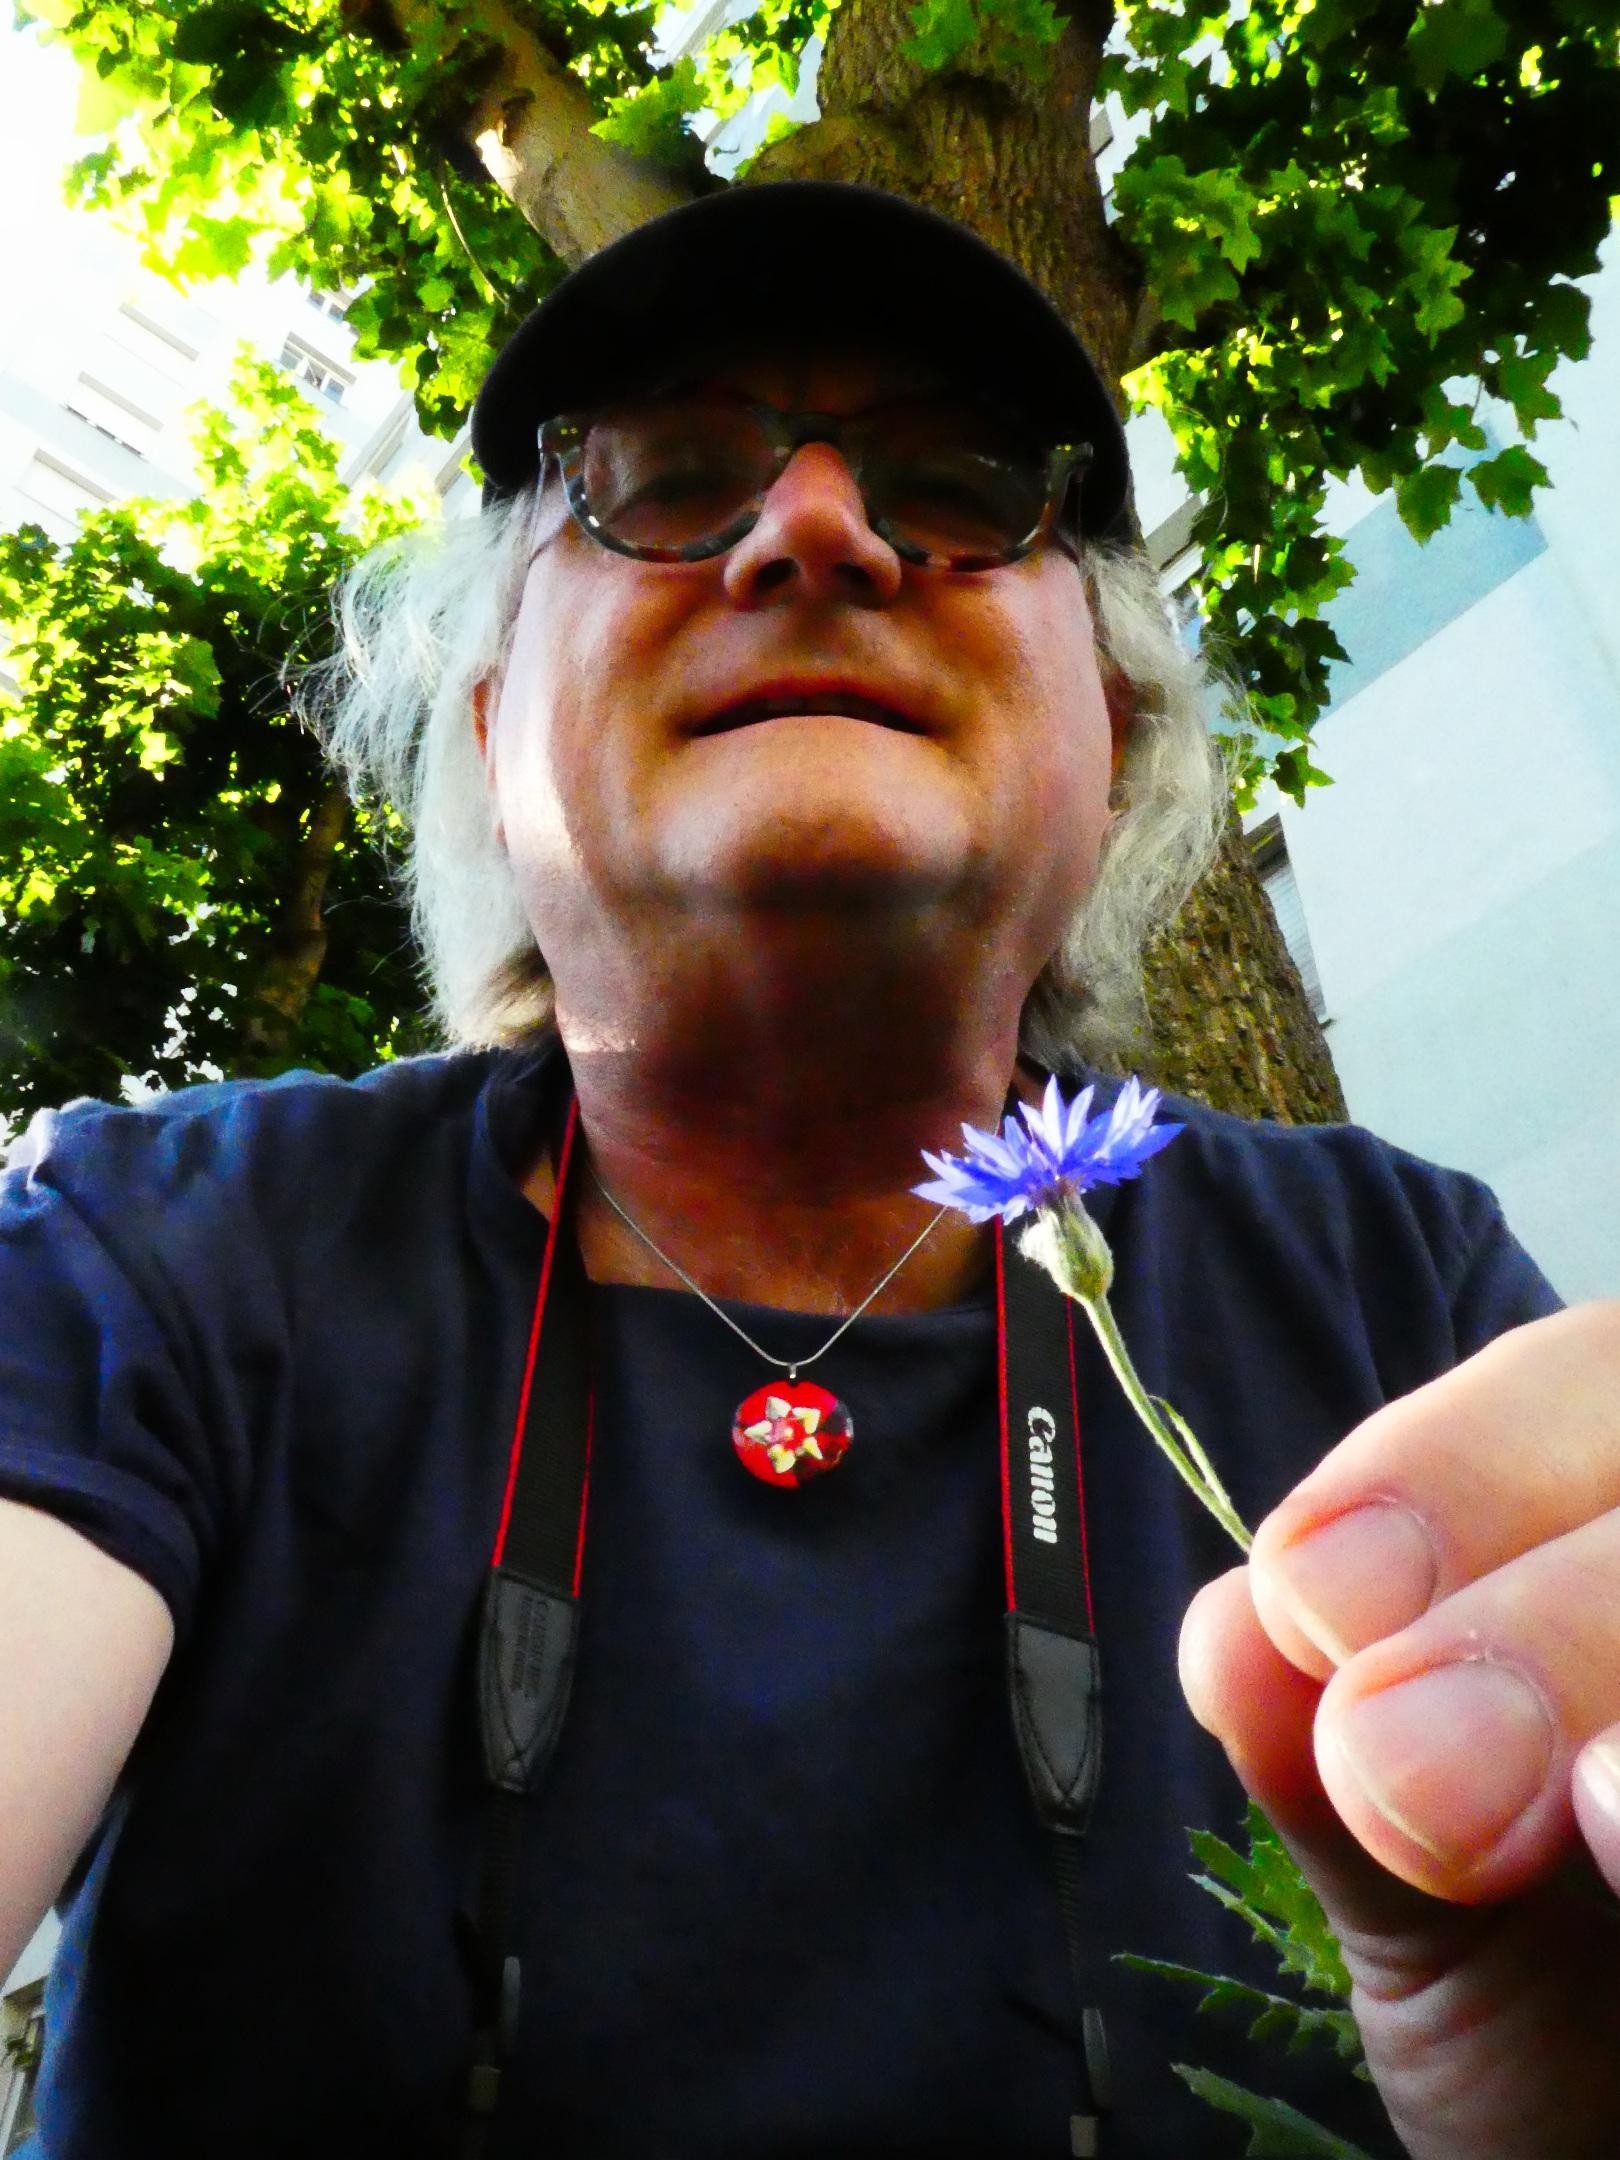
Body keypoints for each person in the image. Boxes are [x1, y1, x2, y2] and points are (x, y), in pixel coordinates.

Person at [0, 180, 1615, 2160]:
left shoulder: (1392, 1285)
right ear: (493, 731)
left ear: (1112, 736)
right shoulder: (155, 1255)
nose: (820, 534)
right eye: (667, 479)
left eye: (959, 486)